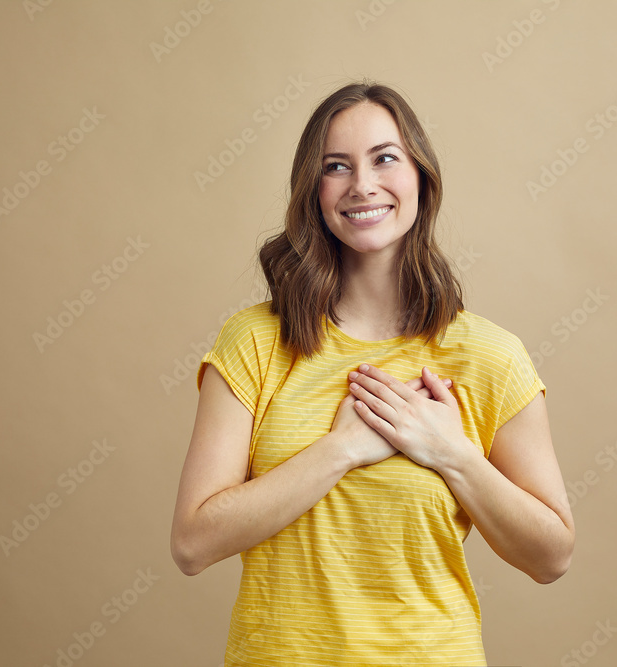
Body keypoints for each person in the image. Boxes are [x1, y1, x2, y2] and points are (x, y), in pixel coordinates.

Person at [171, 80, 575, 666]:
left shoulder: (489, 356)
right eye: (337, 166)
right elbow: (191, 543)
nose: (363, 184)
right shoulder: (256, 342)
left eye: (385, 158)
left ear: (420, 178)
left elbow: (551, 556)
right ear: (314, 191)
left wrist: (451, 452)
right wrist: (340, 450)